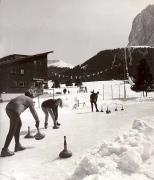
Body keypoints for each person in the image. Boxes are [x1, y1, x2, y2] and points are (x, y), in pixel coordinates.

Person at [1, 90, 40, 157]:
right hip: (14, 110)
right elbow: (33, 111)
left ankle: (17, 145)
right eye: (32, 94)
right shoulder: (29, 99)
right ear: (30, 95)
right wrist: (37, 121)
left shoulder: (23, 97)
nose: (33, 95)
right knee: (13, 129)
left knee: (19, 124)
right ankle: (5, 150)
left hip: (8, 108)